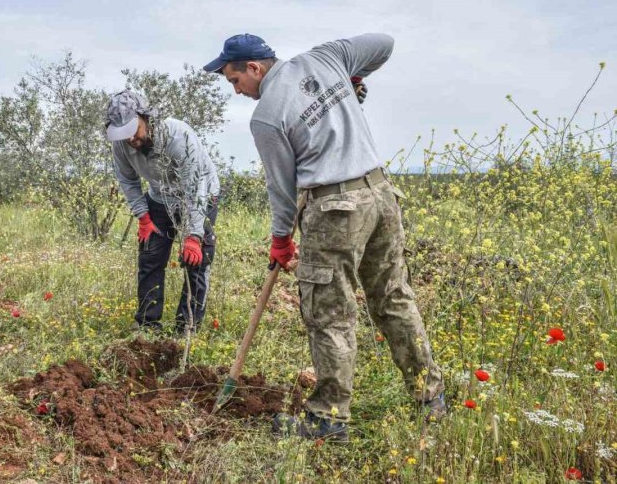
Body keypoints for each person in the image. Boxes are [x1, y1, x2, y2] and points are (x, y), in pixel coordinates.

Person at [203, 33, 445, 441]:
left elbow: (281, 189)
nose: (237, 90)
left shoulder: (266, 115)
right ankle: (431, 398)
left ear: (254, 68)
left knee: (330, 314)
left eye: (234, 80)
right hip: (381, 195)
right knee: (394, 299)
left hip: (335, 210)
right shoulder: (327, 58)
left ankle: (328, 420)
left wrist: (281, 240)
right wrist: (352, 77)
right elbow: (384, 43)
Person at [106, 89, 220, 334]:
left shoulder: (179, 137)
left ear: (144, 117)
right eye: (122, 134)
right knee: (150, 258)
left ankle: (186, 327)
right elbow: (128, 181)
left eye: (132, 130)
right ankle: (148, 325)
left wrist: (193, 236)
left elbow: (195, 188)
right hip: (159, 198)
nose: (129, 140)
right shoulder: (122, 146)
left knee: (195, 262)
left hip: (200, 196)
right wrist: (143, 217)